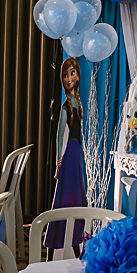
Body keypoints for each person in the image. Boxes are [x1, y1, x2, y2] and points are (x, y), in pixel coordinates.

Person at [47, 57, 87, 255]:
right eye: (65, 75)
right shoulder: (65, 108)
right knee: (65, 200)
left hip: (76, 154)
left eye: (72, 73)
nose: (69, 78)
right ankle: (54, 244)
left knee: (76, 200)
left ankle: (76, 242)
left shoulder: (78, 104)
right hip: (69, 154)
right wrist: (58, 160)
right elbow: (59, 134)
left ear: (78, 76)